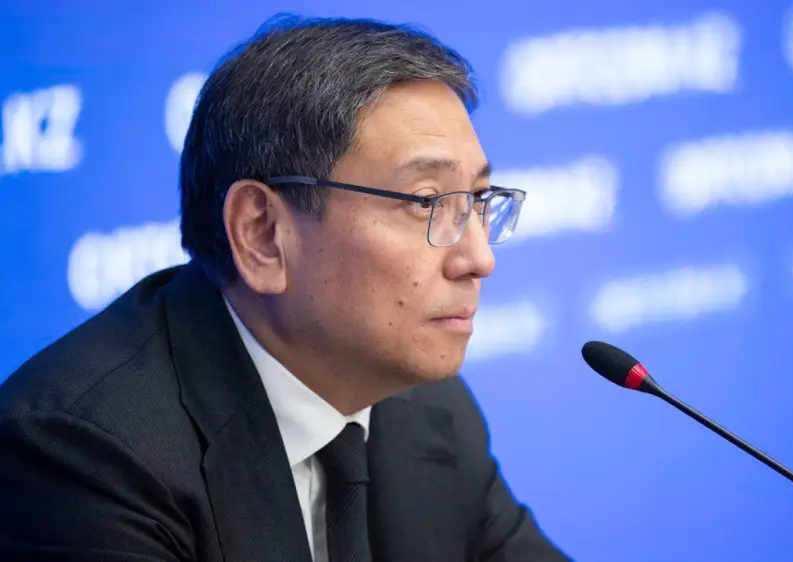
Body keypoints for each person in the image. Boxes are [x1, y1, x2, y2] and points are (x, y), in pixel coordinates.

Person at [0, 14, 570, 562]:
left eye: (477, 200)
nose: (480, 258)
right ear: (263, 234)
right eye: (426, 202)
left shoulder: (428, 409)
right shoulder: (87, 459)